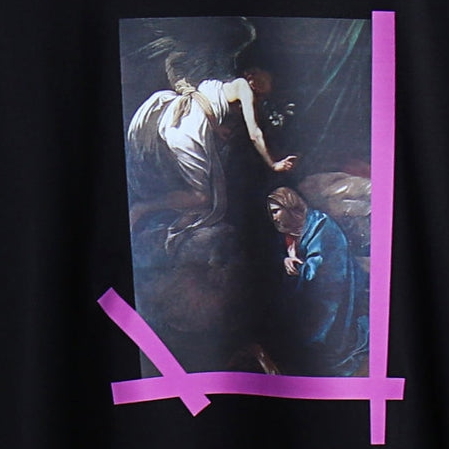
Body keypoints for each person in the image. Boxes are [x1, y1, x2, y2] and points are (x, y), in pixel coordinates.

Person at [127, 54, 298, 252]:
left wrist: (216, 128)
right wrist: (273, 164)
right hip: (187, 128)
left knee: (202, 200)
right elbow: (254, 134)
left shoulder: (218, 87)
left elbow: (205, 104)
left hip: (178, 119)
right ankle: (142, 208)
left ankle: (163, 221)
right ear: (254, 74)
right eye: (270, 80)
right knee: (202, 198)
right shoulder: (242, 86)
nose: (269, 88)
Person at [266, 186, 370, 377]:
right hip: (307, 288)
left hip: (331, 289)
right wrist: (286, 261)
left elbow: (322, 270)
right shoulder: (288, 233)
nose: (274, 218)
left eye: (276, 211)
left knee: (317, 336)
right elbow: (278, 259)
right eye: (271, 213)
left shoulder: (321, 226)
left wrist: (297, 269)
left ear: (290, 206)